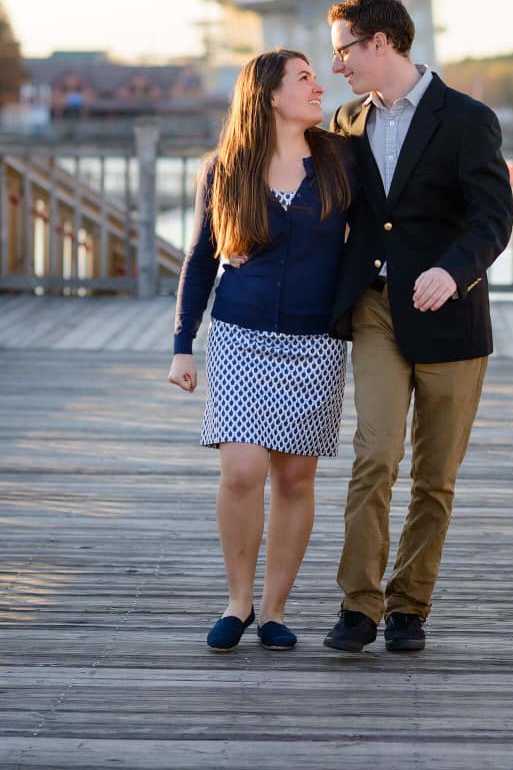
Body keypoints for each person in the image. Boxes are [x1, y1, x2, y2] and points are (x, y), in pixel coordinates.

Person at [318, 0, 513, 653]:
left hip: (450, 318)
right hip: (374, 310)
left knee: (435, 476)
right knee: (374, 455)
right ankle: (358, 607)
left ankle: (409, 606)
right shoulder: (345, 121)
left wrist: (454, 271)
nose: (338, 64)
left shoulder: (466, 118)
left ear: (382, 44)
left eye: (344, 49)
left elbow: (493, 218)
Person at [168, 49, 354, 652]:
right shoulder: (226, 168)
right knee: (242, 470)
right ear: (271, 95)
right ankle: (238, 602)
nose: (317, 85)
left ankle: (274, 611)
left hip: (315, 340)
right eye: (304, 78)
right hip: (242, 334)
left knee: (296, 478)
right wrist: (182, 346)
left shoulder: (340, 161)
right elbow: (200, 262)